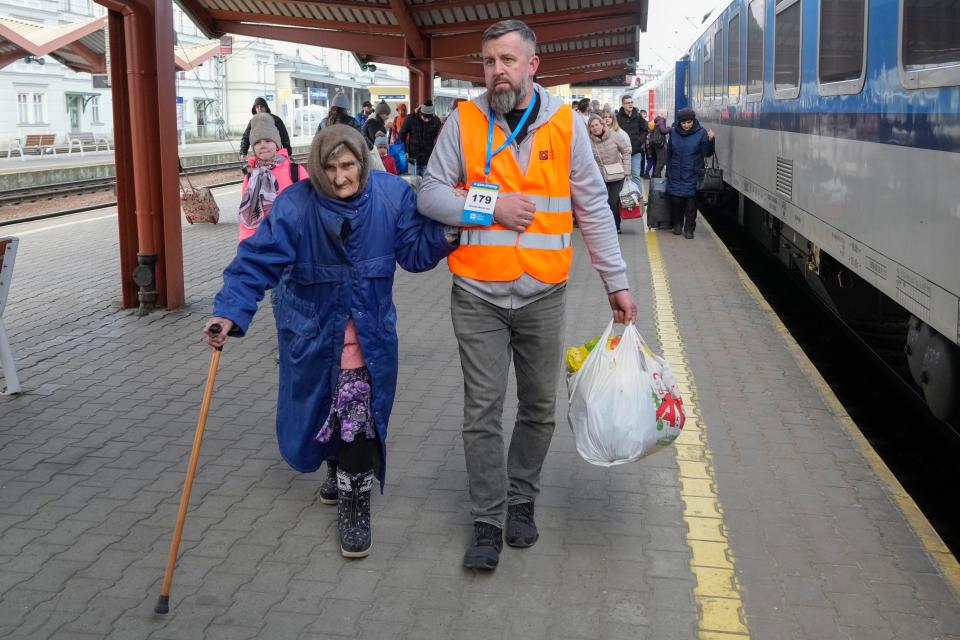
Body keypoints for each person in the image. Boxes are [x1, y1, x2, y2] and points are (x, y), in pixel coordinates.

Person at [418, 19, 637, 571]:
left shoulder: (565, 125)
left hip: (543, 292)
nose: (497, 72)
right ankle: (488, 519)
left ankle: (522, 501)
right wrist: (489, 208)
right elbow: (429, 194)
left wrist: (618, 283)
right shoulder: (463, 121)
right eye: (489, 62)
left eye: (508, 61)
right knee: (482, 411)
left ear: (533, 66)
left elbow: (593, 209)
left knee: (539, 408)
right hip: (477, 293)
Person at [204, 125, 457, 559]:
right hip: (313, 330)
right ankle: (338, 467)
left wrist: (446, 235)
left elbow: (413, 254)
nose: (340, 178)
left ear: (362, 161)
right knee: (324, 407)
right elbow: (256, 261)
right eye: (330, 169)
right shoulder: (295, 205)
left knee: (358, 413)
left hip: (368, 331)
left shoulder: (391, 195)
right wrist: (229, 311)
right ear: (317, 172)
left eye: (348, 166)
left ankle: (355, 501)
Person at [238, 113, 309, 242]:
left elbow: (310, 206)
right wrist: (245, 245)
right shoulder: (250, 176)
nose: (263, 145)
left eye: (268, 141)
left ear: (277, 144)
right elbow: (248, 217)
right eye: (258, 142)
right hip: (262, 243)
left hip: (294, 240)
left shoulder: (296, 171)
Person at [664, 106, 715, 239]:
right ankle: (677, 224)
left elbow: (708, 153)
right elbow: (669, 153)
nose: (687, 125)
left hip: (693, 172)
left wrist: (711, 140)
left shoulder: (701, 133)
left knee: (691, 205)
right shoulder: (674, 132)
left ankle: (689, 228)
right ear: (679, 122)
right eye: (684, 122)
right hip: (675, 172)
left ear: (693, 121)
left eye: (689, 122)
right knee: (676, 202)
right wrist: (667, 171)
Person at [588, 114, 631, 234]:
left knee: (613, 202)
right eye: (592, 126)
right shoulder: (588, 141)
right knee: (602, 203)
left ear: (602, 125)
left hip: (617, 175)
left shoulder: (614, 136)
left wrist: (627, 171)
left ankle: (615, 226)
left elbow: (626, 151)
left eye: (597, 125)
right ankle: (605, 226)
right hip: (599, 176)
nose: (595, 128)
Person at [398, 99, 442, 177]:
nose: (426, 120)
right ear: (420, 113)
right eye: (424, 117)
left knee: (426, 182)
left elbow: (439, 138)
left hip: (428, 158)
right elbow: (401, 135)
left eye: (429, 118)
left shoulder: (436, 121)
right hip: (412, 158)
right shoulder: (411, 118)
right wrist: (405, 151)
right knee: (413, 182)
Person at [616, 94, 647, 187]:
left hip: (635, 151)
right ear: (623, 105)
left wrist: (640, 141)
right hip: (622, 153)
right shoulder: (618, 117)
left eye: (631, 102)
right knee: (623, 176)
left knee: (636, 175)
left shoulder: (638, 116)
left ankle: (639, 199)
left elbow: (645, 129)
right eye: (627, 103)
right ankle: (626, 199)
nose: (630, 105)